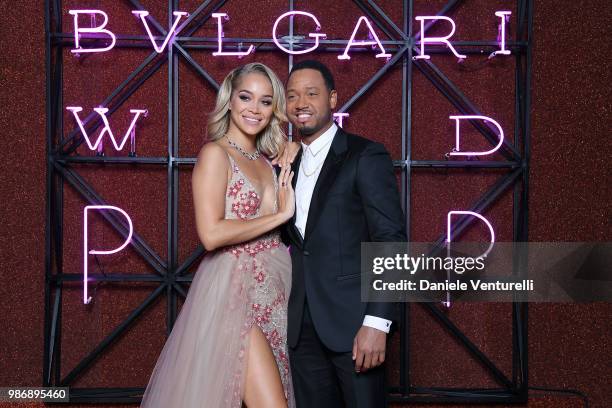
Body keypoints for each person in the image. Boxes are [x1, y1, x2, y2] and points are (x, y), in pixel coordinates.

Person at [140, 62, 297, 408]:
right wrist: (280, 216)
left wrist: (293, 150)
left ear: (274, 110)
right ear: (230, 99)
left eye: (266, 101)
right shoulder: (215, 154)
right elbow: (210, 234)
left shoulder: (265, 158)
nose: (254, 109)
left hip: (275, 292)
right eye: (246, 97)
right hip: (235, 292)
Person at [282, 60, 407, 408]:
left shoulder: (365, 155)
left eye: (311, 93)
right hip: (301, 328)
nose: (300, 103)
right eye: (292, 96)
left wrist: (378, 321)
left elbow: (392, 241)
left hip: (356, 324)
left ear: (333, 99)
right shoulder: (285, 165)